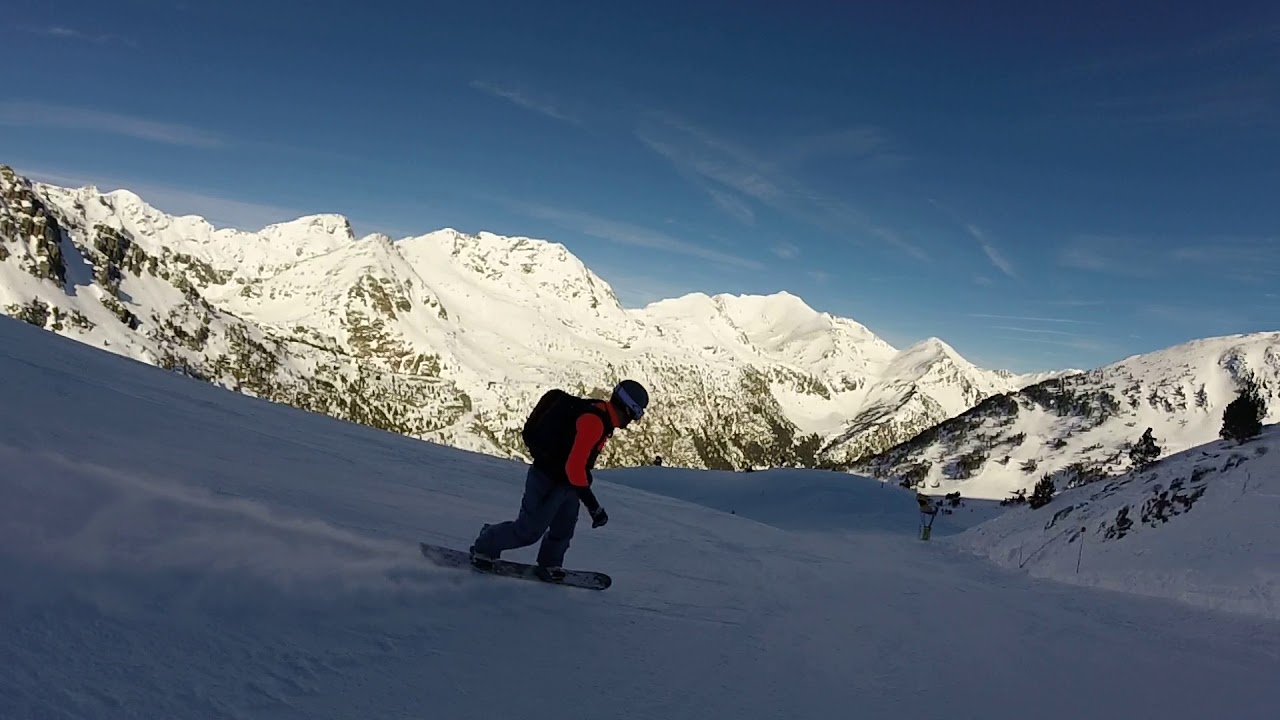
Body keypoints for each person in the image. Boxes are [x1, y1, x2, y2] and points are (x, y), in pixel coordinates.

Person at [469, 379, 649, 581]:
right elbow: (573, 468)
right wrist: (593, 506)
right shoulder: (595, 421)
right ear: (628, 408)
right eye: (636, 414)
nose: (634, 420)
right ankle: (485, 545)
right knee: (527, 531)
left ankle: (550, 563)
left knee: (563, 528)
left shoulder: (601, 415)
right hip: (547, 479)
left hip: (566, 484)